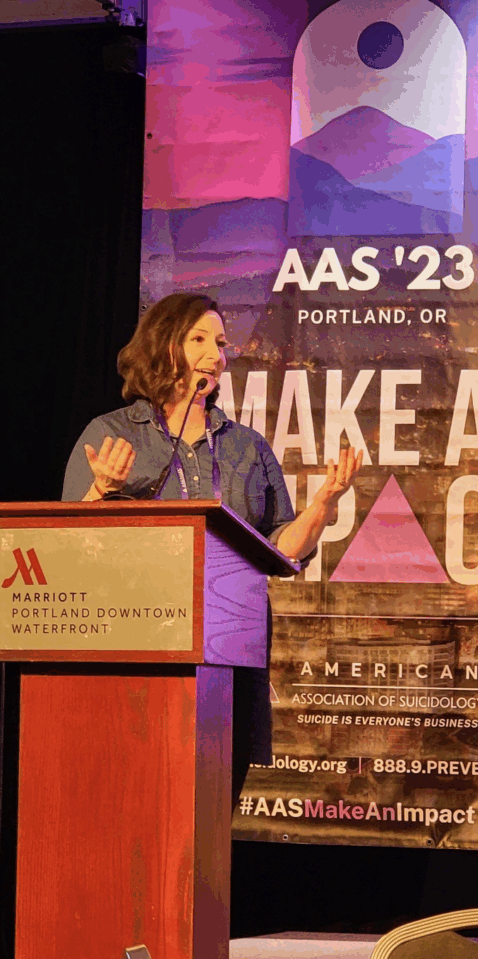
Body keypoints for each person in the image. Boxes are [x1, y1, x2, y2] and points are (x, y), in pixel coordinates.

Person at [62, 292, 362, 805]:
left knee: (211, 813)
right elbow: (64, 546)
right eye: (199, 339)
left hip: (230, 656)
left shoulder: (247, 446)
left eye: (221, 343)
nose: (216, 354)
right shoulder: (109, 433)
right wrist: (100, 493)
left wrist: (323, 507)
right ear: (164, 346)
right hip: (137, 656)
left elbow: (281, 551)